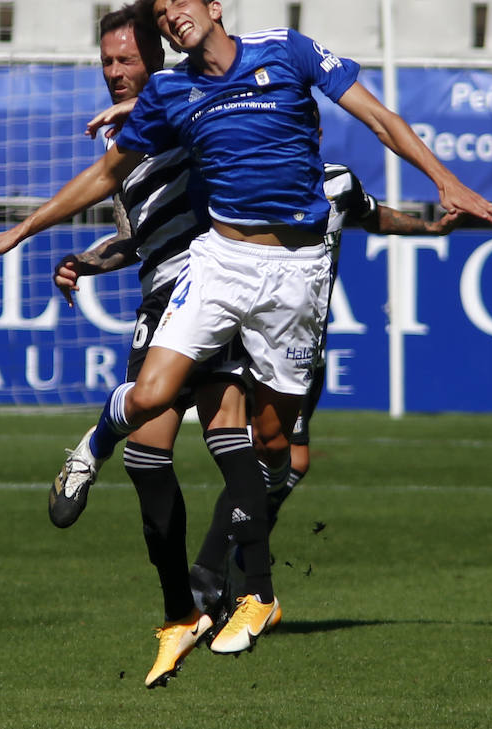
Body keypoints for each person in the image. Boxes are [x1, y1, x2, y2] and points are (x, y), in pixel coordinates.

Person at [0, 0, 492, 660]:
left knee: (275, 449)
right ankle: (114, 465)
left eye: (181, 3)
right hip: (216, 262)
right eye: (162, 12)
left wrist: (444, 180)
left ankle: (246, 587)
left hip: (294, 278)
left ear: (213, 8)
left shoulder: (287, 51)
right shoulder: (173, 93)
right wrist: (20, 231)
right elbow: (104, 176)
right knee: (154, 401)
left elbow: (380, 118)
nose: (173, 15)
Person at [45, 6, 248, 688]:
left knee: (249, 447)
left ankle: (231, 583)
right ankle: (181, 607)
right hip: (163, 300)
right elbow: (139, 236)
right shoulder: (121, 154)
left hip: (219, 289)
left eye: (125, 60)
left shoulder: (189, 106)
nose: (113, 72)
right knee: (148, 458)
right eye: (106, 62)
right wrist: (87, 258)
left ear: (155, 61)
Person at [188, 160, 477, 621]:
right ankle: (211, 574)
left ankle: (239, 552)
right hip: (245, 340)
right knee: (257, 453)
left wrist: (430, 228)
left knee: (291, 461)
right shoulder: (247, 172)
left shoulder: (337, 181)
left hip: (302, 346)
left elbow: (372, 214)